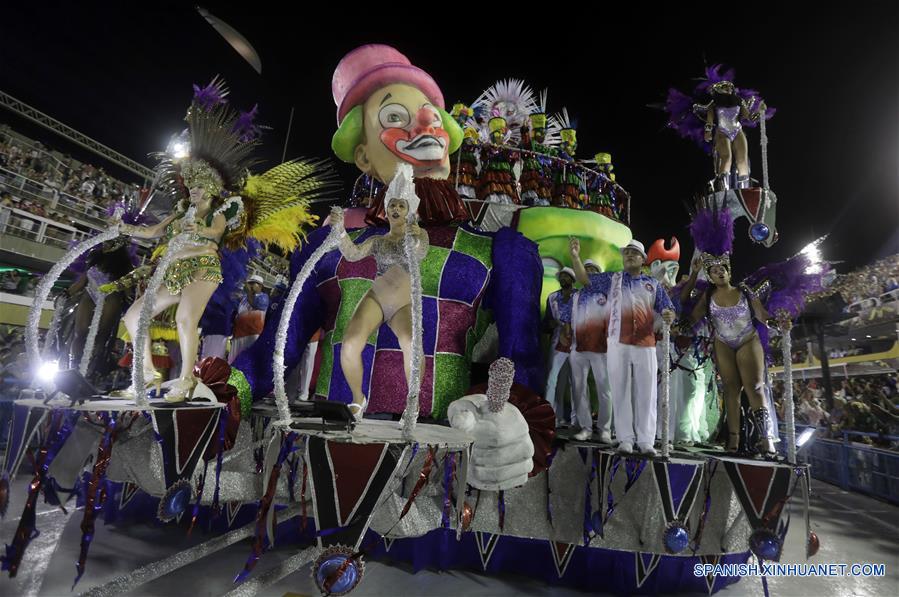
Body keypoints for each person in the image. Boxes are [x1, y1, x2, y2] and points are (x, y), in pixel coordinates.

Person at [329, 164, 429, 420]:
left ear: (409, 211)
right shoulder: (378, 241)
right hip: (377, 298)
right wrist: (339, 229)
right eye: (392, 205)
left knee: (411, 345)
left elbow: (420, 252)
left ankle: (413, 402)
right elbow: (352, 254)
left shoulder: (419, 235)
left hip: (404, 305)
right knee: (349, 344)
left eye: (401, 205)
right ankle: (358, 399)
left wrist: (414, 235)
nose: (395, 209)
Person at [570, 237, 676, 455]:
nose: (629, 255)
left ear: (643, 259)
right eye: (626, 252)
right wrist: (575, 257)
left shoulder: (653, 284)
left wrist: (668, 315)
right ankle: (625, 439)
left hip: (645, 343)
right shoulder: (612, 279)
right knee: (620, 390)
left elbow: (669, 309)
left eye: (634, 253)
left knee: (647, 392)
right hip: (617, 343)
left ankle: (646, 440)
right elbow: (584, 280)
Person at [568, 259, 614, 442]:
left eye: (592, 270)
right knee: (579, 389)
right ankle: (585, 427)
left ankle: (604, 429)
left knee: (604, 389)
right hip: (578, 347)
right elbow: (571, 319)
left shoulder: (606, 294)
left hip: (601, 348)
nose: (588, 273)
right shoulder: (576, 295)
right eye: (585, 270)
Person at [542, 267, 575, 427]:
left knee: (567, 382)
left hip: (576, 343)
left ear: (573, 279)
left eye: (566, 276)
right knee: (551, 379)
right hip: (558, 341)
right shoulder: (552, 297)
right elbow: (547, 320)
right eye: (561, 276)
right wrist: (553, 324)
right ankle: (549, 416)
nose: (563, 279)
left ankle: (561, 417)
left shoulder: (579, 296)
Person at [229, 274, 270, 362]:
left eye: (254, 283)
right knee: (233, 360)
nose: (250, 285)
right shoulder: (244, 297)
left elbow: (256, 305)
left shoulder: (264, 297)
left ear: (260, 286)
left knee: (246, 360)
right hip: (238, 333)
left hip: (252, 334)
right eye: (250, 283)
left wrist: (249, 293)